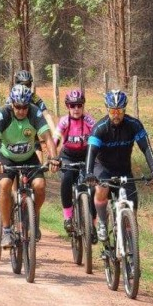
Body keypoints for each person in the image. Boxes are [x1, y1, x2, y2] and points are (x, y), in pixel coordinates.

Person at [0, 84, 60, 248]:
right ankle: (6, 230)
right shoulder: (3, 114)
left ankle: (31, 216)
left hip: (29, 157)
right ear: (12, 104)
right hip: (7, 158)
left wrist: (54, 157)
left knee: (40, 185)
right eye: (18, 107)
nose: (21, 111)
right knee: (5, 184)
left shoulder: (35, 112)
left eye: (24, 107)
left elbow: (47, 137)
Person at [85, 89, 153, 243]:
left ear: (124, 110)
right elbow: (91, 153)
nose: (116, 115)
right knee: (102, 188)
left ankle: (130, 246)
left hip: (124, 171)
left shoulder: (134, 125)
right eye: (113, 111)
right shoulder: (100, 128)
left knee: (132, 208)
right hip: (103, 168)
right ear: (107, 110)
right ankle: (102, 224)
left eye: (119, 111)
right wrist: (88, 172)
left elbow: (146, 148)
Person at [54, 89, 96, 235]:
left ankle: (94, 225)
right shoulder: (65, 121)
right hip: (67, 156)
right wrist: (53, 157)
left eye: (79, 105)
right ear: (68, 107)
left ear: (83, 106)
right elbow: (56, 138)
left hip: (86, 156)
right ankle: (68, 217)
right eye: (72, 106)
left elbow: (98, 137)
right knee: (66, 178)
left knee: (93, 186)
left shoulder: (89, 120)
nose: (76, 109)